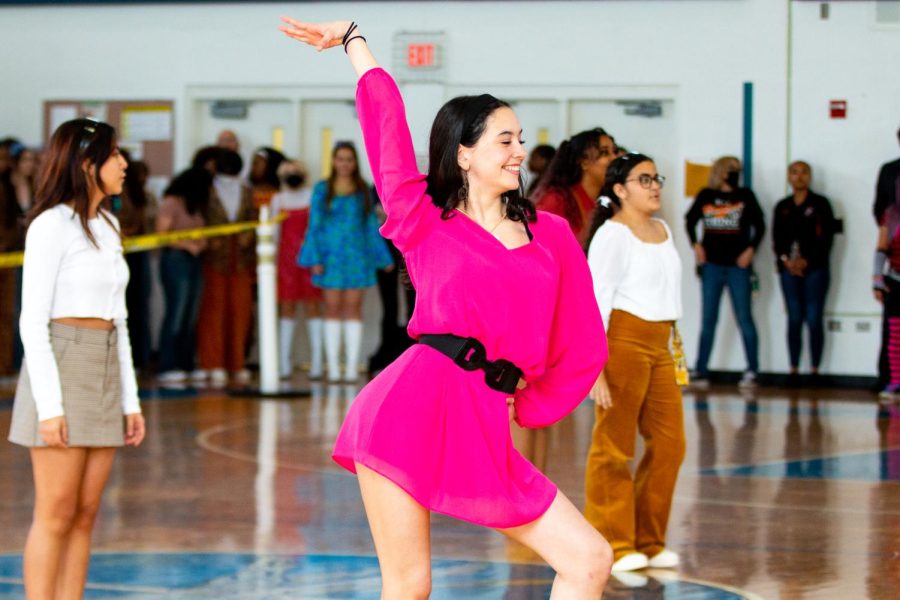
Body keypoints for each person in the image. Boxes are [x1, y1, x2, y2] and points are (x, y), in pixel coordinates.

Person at [280, 17, 612, 598]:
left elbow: (578, 329)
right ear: (463, 154)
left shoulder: (552, 234)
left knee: (588, 560)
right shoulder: (424, 220)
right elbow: (387, 126)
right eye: (504, 140)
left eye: (520, 139)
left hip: (483, 414)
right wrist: (355, 42)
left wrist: (532, 396)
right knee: (409, 587)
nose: (519, 151)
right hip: (407, 408)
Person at [7, 118, 145, 598]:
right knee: (56, 511)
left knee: (87, 512)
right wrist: (50, 409)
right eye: (115, 156)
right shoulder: (50, 225)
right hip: (61, 365)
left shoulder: (108, 224)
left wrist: (131, 401)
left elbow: (120, 321)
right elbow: (32, 321)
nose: (124, 165)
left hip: (104, 365)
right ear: (88, 165)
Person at [582, 153, 685, 573]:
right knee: (613, 445)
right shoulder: (612, 235)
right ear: (620, 190)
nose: (655, 185)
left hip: (661, 342)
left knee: (670, 445)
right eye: (644, 179)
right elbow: (593, 302)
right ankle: (616, 543)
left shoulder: (662, 228)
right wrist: (595, 368)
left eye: (655, 177)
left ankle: (650, 540)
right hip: (622, 340)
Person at [298, 141, 394, 383]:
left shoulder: (362, 189)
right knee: (331, 308)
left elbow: (371, 226)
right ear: (333, 161)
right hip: (330, 258)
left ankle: (351, 367)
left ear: (355, 162)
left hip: (357, 258)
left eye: (349, 159)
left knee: (353, 308)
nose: (344, 163)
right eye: (340, 158)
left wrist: (383, 257)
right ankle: (332, 366)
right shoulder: (322, 189)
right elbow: (314, 225)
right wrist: (315, 257)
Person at [685, 155, 765, 388]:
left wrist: (751, 250)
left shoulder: (745, 196)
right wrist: (695, 245)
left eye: (738, 169)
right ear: (720, 171)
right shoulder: (706, 196)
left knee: (745, 318)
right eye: (731, 168)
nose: (735, 172)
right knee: (708, 319)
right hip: (712, 266)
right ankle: (701, 369)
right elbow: (690, 220)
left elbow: (760, 225)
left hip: (738, 267)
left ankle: (752, 369)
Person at [196, 148, 258, 385]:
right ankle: (212, 363)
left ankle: (237, 362)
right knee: (213, 312)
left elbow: (253, 219)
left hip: (240, 260)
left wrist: (248, 237)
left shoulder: (246, 190)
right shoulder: (207, 189)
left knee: (240, 312)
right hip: (214, 258)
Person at [772, 161, 836, 381]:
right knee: (794, 318)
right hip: (788, 269)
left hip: (815, 269)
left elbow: (826, 238)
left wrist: (806, 261)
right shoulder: (783, 206)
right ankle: (793, 368)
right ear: (789, 177)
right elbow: (777, 239)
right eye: (794, 172)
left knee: (813, 317)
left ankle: (815, 369)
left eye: (803, 173)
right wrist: (787, 261)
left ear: (810, 177)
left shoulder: (820, 204)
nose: (799, 177)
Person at [155, 167, 210, 383]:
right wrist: (186, 245)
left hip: (196, 260)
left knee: (191, 314)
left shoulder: (197, 206)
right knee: (176, 312)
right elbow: (161, 235)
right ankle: (168, 364)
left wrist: (201, 243)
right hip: (176, 259)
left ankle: (187, 363)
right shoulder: (172, 202)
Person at [270, 159, 324, 379]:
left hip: (310, 260)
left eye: (296, 170)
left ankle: (318, 363)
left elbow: (317, 228)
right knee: (287, 309)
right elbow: (274, 233)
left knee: (313, 308)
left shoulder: (312, 195)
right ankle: (283, 363)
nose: (292, 174)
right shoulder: (278, 199)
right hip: (286, 262)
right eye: (288, 171)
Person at [533, 128, 615, 249]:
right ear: (584, 162)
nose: (614, 158)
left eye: (614, 152)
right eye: (604, 153)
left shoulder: (608, 201)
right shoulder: (556, 201)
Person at [114, 151, 158, 372]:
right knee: (122, 304)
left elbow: (144, 221)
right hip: (119, 251)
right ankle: (125, 358)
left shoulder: (138, 193)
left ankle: (140, 357)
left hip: (138, 253)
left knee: (139, 304)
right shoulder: (113, 194)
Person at [874, 128, 900, 389]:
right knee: (893, 330)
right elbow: (879, 207)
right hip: (895, 265)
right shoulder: (889, 170)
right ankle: (889, 379)